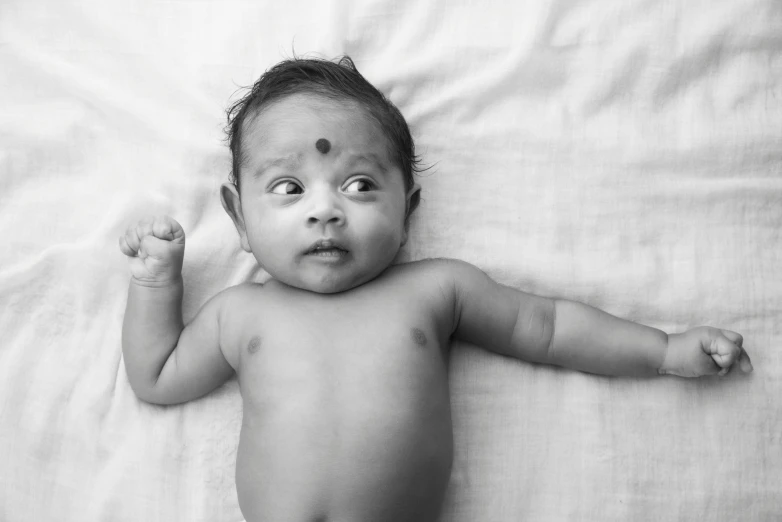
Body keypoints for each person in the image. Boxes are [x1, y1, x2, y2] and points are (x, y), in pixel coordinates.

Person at [119, 56, 753, 522]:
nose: (326, 211)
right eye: (289, 189)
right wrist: (156, 281)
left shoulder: (435, 290)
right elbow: (157, 375)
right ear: (238, 219)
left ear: (408, 208)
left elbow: (549, 328)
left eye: (360, 184)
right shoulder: (240, 313)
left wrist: (663, 351)